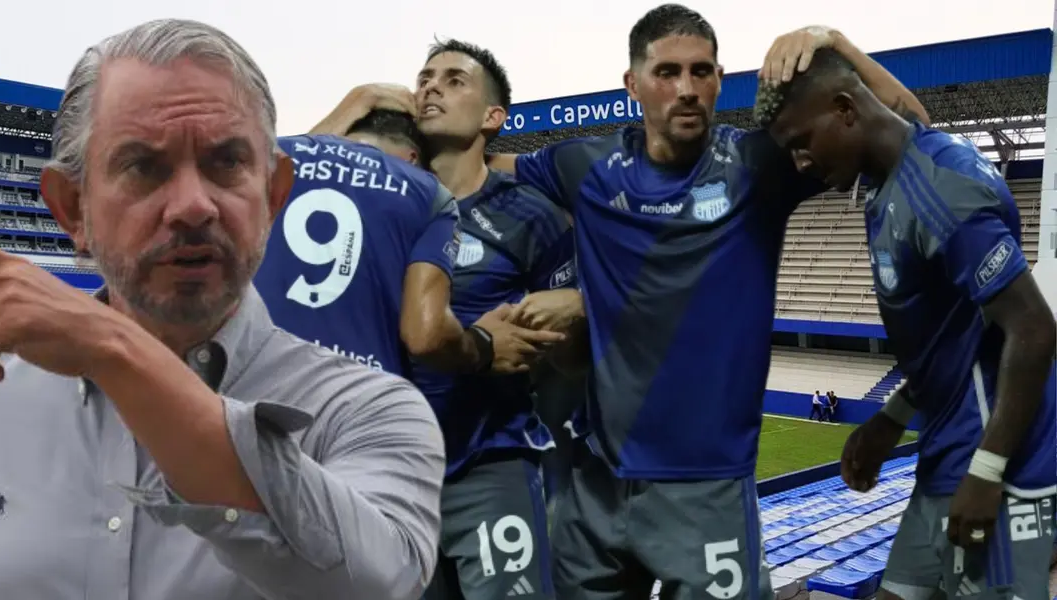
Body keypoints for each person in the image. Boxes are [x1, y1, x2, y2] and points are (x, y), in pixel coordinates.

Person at [0, 19, 445, 600]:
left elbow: (378, 583)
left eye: (225, 163)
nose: (193, 206)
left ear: (272, 197)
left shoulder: (368, 413)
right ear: (72, 210)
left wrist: (118, 354)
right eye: (143, 166)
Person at [476, 5, 931, 598]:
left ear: (720, 79)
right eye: (667, 72)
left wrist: (833, 41)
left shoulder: (758, 165)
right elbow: (475, 174)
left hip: (709, 491)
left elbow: (912, 133)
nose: (686, 89)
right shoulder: (585, 165)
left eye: (701, 71)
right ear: (632, 85)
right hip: (597, 487)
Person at [755, 47, 1057, 600]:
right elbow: (948, 341)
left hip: (998, 469)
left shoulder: (942, 190)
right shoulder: (888, 173)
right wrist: (890, 419)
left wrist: (988, 472)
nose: (800, 163)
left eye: (802, 142)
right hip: (944, 454)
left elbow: (1034, 329)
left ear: (845, 110)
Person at [314, 39, 585, 600]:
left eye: (454, 80)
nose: (431, 85)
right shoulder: (373, 201)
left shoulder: (530, 214)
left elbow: (575, 348)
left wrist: (558, 323)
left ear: (494, 117)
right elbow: (277, 183)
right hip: (380, 472)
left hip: (487, 461)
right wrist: (355, 103)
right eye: (425, 76)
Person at [256, 108, 554, 377]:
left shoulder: (275, 160)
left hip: (250, 377)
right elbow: (425, 336)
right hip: (359, 398)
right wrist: (482, 345)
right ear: (414, 159)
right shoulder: (427, 192)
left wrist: (360, 97)